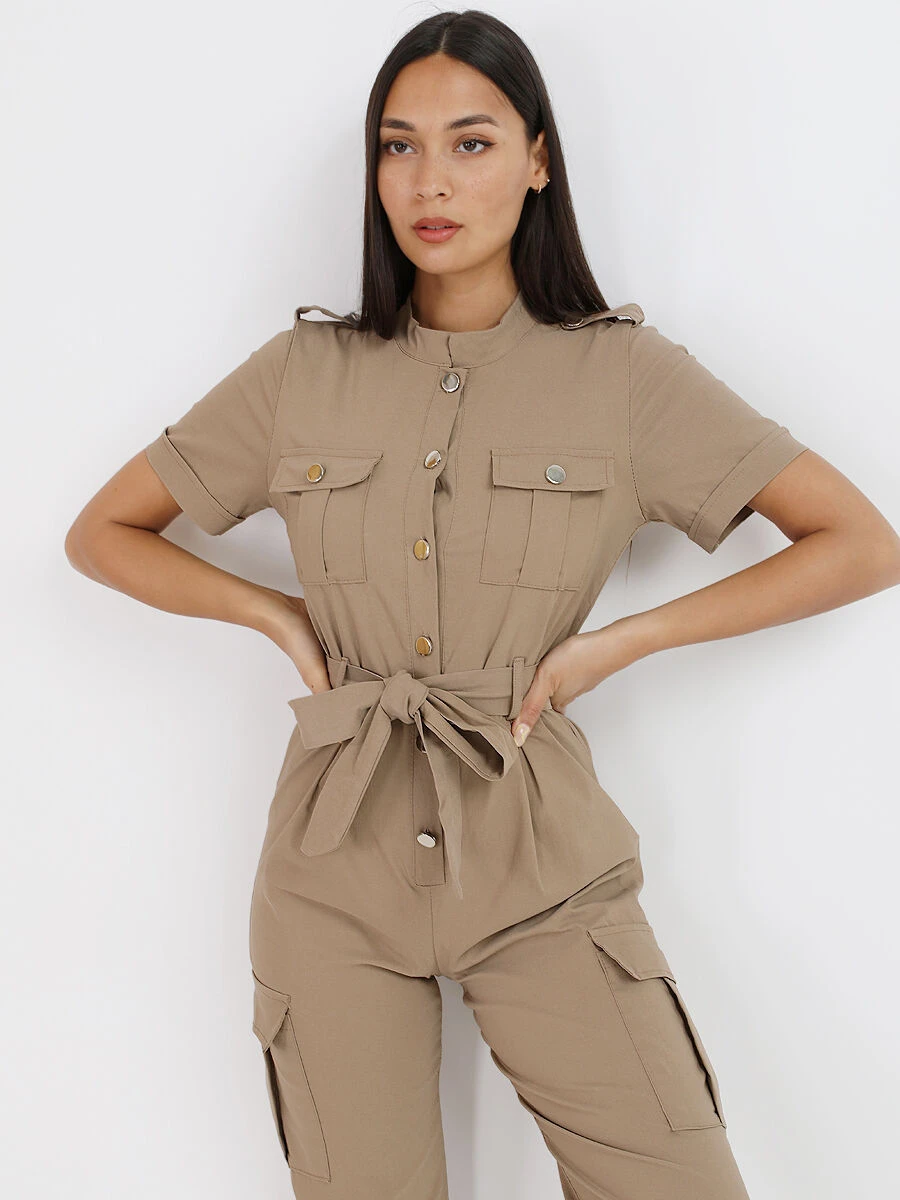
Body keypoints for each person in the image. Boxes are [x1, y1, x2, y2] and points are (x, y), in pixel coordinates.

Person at [64, 10, 900, 1200]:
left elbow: (860, 542)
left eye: (471, 142)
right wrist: (276, 616)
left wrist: (621, 643)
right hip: (332, 870)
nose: (430, 182)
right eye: (399, 146)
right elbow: (102, 533)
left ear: (538, 159)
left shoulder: (622, 376)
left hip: (539, 860)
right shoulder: (303, 373)